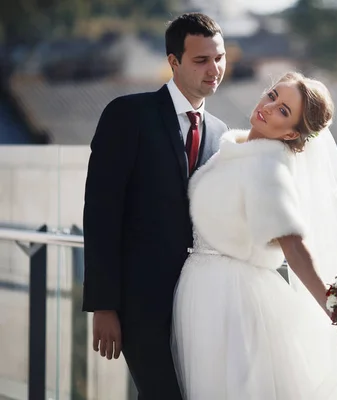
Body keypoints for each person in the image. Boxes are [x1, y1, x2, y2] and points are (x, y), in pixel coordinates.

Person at [171, 72, 337, 399]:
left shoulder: (267, 165)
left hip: (232, 299)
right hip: (207, 290)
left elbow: (293, 245)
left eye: (283, 111)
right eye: (272, 96)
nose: (268, 107)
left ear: (292, 132)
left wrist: (334, 307)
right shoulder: (234, 149)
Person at [82, 13, 228, 399]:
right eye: (201, 60)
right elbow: (101, 212)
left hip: (200, 304)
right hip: (139, 306)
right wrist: (104, 306)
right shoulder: (128, 115)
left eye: (219, 58)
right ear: (173, 61)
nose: (214, 69)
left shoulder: (220, 133)